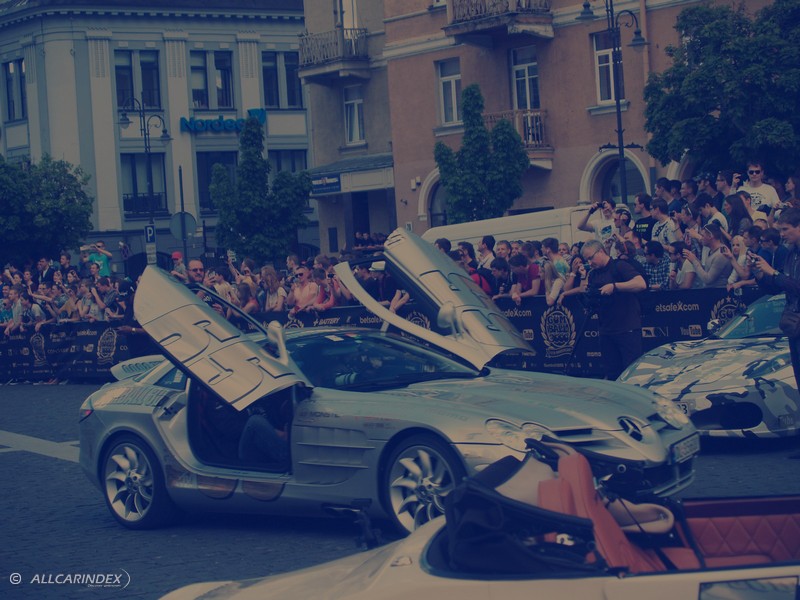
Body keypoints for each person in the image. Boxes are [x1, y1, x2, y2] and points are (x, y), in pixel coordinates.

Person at [581, 240, 646, 379]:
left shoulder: (620, 266)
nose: (589, 262)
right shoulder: (593, 274)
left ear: (600, 251)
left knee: (631, 373)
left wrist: (615, 287)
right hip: (606, 330)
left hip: (626, 328)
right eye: (587, 260)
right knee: (612, 373)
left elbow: (641, 284)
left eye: (591, 258)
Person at [752, 208, 800, 391]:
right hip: (794, 325)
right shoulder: (791, 254)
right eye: (780, 230)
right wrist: (760, 274)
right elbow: (777, 288)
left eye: (785, 229)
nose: (782, 235)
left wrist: (773, 272)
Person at [682, 222, 733, 288]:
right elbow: (706, 271)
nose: (701, 238)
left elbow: (708, 279)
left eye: (703, 236)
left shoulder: (721, 254)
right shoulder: (712, 251)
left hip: (719, 291)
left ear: (710, 236)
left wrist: (694, 261)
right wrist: (694, 259)